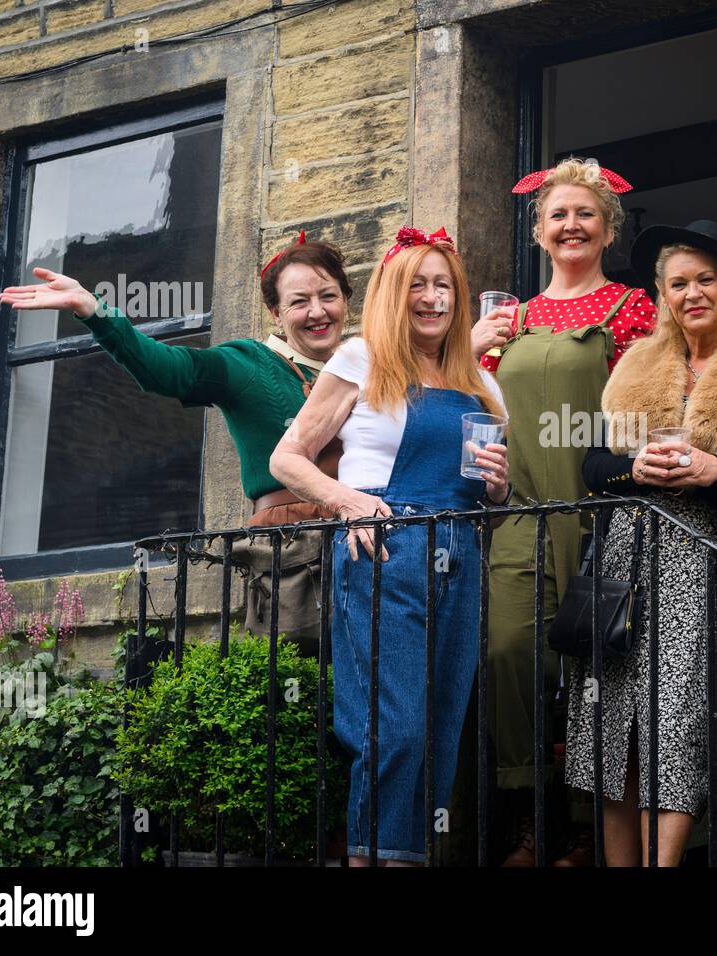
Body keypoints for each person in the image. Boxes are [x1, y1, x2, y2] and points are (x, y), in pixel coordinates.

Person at [269, 226, 510, 866]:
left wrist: (499, 488)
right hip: (386, 550)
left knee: (439, 732)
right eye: (417, 285)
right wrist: (349, 501)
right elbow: (287, 457)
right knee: (393, 729)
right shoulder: (360, 360)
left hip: (460, 552)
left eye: (443, 286)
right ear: (390, 295)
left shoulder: (486, 385)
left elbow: (490, 497)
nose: (432, 298)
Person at [0, 234, 352, 638]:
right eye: (299, 301)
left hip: (369, 537)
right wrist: (94, 311)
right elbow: (164, 369)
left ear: (346, 300)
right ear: (275, 312)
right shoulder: (248, 364)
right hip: (295, 547)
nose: (317, 311)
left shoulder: (368, 368)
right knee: (311, 679)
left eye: (328, 296)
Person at [564, 219, 717, 866]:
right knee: (613, 724)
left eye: (705, 280)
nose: (692, 294)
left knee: (677, 722)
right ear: (662, 292)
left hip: (705, 556)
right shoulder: (637, 360)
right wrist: (636, 469)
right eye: (678, 283)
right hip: (625, 556)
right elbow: (593, 468)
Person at [478, 158, 657, 866]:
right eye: (558, 215)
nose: (571, 225)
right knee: (508, 652)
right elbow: (477, 410)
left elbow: (651, 405)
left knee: (597, 667)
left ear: (607, 227)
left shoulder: (634, 308)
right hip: (521, 513)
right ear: (539, 233)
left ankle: (588, 821)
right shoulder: (507, 320)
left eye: (585, 213)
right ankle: (531, 812)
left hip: (603, 513)